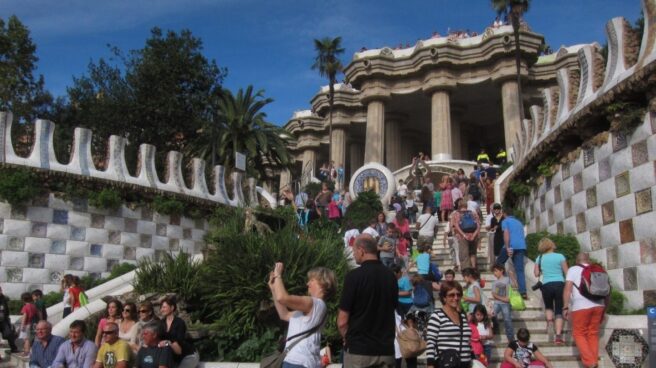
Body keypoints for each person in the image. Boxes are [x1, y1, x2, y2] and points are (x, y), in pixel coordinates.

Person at [338, 234, 398, 367]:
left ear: (361, 250)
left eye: (354, 251)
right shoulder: (391, 276)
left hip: (359, 352)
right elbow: (393, 309)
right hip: (386, 351)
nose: (354, 255)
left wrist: (348, 339)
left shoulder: (353, 277)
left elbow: (342, 321)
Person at [269, 262, 335, 368]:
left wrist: (278, 275)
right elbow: (284, 314)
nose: (307, 284)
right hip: (295, 362)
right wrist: (273, 289)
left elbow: (283, 298)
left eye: (312, 280)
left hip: (299, 363)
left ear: (322, 283)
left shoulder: (316, 304)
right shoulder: (313, 308)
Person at [563, 253, 607, 368]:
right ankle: (594, 361)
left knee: (579, 333)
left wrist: (565, 306)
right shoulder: (599, 270)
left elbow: (567, 289)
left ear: (577, 260)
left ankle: (590, 362)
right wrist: (605, 308)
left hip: (581, 306)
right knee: (593, 334)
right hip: (599, 305)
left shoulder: (573, 269)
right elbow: (608, 292)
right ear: (588, 260)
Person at [425, 281, 472, 368]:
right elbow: (431, 343)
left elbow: (467, 342)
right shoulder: (437, 316)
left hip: (465, 364)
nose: (456, 298)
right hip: (446, 364)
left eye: (458, 294)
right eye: (451, 295)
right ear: (444, 297)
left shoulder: (462, 315)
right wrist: (430, 364)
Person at [533, 238, 568, 345]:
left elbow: (536, 274)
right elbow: (567, 272)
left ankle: (549, 322)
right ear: (551, 245)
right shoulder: (560, 256)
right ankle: (558, 336)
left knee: (548, 306)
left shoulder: (539, 258)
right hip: (559, 284)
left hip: (546, 285)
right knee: (558, 310)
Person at [495, 207, 528, 299]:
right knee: (520, 270)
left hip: (510, 246)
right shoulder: (519, 222)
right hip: (521, 246)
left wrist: (508, 247)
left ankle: (503, 283)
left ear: (504, 214)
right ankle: (523, 292)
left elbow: (506, 234)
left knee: (498, 264)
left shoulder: (505, 221)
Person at [158, 296, 198, 368]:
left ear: (172, 308)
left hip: (188, 356)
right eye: (161, 308)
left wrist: (168, 342)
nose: (161, 310)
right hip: (173, 356)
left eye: (164, 307)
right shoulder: (161, 323)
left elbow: (179, 345)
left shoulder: (179, 323)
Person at [452, 199, 481, 269]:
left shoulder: (456, 214)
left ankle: (466, 270)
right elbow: (478, 225)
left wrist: (464, 235)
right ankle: (474, 268)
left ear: (459, 206)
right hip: (473, 236)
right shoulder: (473, 213)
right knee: (473, 253)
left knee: (464, 254)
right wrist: (474, 235)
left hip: (462, 237)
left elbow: (456, 226)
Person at [491, 264, 514, 343]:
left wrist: (512, 277)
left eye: (496, 271)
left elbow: (515, 286)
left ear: (501, 271)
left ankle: (511, 339)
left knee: (507, 320)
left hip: (505, 304)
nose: (494, 273)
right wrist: (504, 299)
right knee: (491, 315)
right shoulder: (494, 282)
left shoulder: (507, 279)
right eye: (494, 271)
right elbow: (494, 295)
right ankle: (495, 328)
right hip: (498, 302)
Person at [21, 292, 39, 356]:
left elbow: (24, 316)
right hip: (34, 325)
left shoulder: (25, 307)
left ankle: (27, 352)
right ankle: (32, 351)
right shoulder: (34, 306)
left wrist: (22, 326)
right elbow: (38, 315)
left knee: (26, 339)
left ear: (23, 299)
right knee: (33, 339)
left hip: (27, 325)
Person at [0, 286, 18, 353]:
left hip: (4, 320)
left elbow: (6, 309)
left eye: (0, 290)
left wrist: (7, 319)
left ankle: (13, 348)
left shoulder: (4, 298)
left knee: (9, 334)